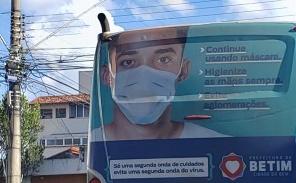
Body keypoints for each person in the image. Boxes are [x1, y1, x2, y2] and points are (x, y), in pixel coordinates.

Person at [91, 26, 227, 141]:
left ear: (183, 70)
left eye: (163, 59)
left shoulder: (217, 142)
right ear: (107, 75)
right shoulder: (96, 141)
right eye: (128, 61)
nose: (144, 76)